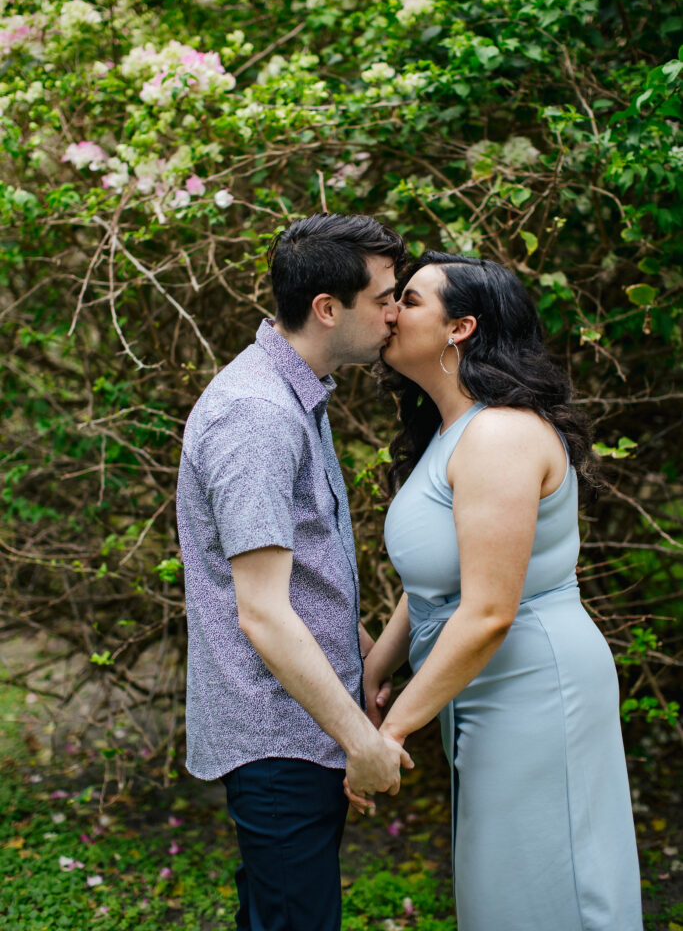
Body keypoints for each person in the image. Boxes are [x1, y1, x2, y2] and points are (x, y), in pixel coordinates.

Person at [349, 251, 643, 931]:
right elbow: (438, 583)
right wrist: (370, 674)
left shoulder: (500, 435)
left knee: (541, 891)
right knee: (498, 893)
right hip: (483, 688)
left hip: (534, 687)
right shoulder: (454, 431)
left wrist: (386, 736)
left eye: (411, 300)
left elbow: (486, 613)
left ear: (461, 327)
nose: (390, 313)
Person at [176, 212, 413, 931]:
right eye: (384, 297)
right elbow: (263, 611)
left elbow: (301, 571)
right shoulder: (256, 416)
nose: (396, 313)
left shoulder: (293, 392)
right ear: (326, 308)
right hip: (279, 735)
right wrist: (359, 740)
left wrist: (364, 653)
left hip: (301, 720)